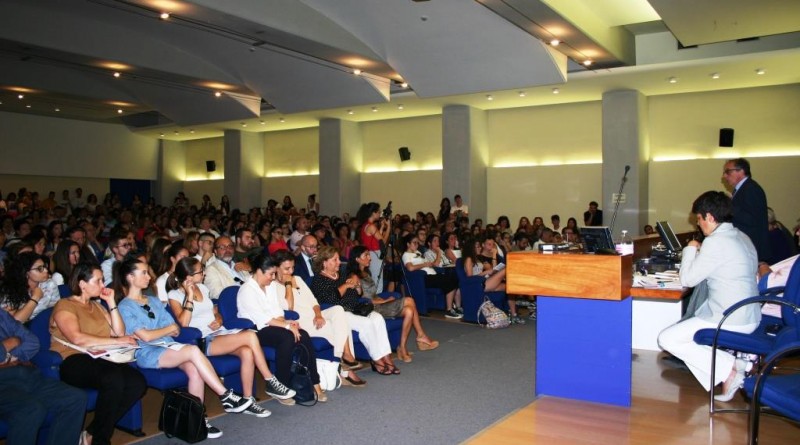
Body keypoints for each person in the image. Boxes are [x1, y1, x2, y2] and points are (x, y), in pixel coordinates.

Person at [115, 258, 254, 438]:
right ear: (130, 277)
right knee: (193, 350)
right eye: (143, 273)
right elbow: (146, 337)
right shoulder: (125, 306)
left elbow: (175, 328)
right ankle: (225, 395)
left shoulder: (153, 300)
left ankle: (198, 419)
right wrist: (164, 330)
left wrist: (162, 330)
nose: (148, 276)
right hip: (148, 352)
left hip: (169, 346)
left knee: (194, 369)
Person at [657, 191, 760, 402]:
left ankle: (732, 369)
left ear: (710, 217)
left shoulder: (715, 242)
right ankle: (733, 368)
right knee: (683, 333)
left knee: (667, 339)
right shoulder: (742, 236)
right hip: (749, 314)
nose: (699, 224)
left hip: (730, 318)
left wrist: (690, 249)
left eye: (699, 219)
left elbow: (687, 280)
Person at [166, 257, 295, 414]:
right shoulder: (174, 295)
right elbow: (184, 323)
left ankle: (248, 400)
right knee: (250, 336)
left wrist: (219, 319)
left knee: (247, 351)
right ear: (188, 277)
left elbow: (215, 311)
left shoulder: (203, 288)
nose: (204, 273)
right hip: (201, 340)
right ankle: (270, 380)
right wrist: (190, 295)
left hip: (219, 333)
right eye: (201, 271)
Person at [50, 262, 147, 445]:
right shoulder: (65, 305)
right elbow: (77, 339)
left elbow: (119, 332)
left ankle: (91, 433)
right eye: (98, 281)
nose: (104, 285)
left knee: (137, 383)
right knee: (113, 378)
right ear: (82, 284)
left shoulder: (98, 306)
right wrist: (117, 341)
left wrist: (111, 303)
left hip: (100, 357)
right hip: (73, 360)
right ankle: (100, 441)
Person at [236, 252, 327, 403]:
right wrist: (286, 326)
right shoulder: (247, 290)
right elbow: (262, 319)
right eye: (271, 274)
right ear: (259, 270)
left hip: (272, 325)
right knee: (286, 336)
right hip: (254, 331)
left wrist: (288, 323)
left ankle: (313, 381)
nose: (273, 278)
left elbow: (278, 312)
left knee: (303, 334)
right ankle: (280, 386)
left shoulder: (269, 286)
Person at [272, 250, 366, 386]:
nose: (290, 271)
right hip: (300, 322)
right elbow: (289, 308)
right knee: (341, 325)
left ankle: (346, 356)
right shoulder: (272, 286)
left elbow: (314, 301)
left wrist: (318, 315)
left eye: (292, 267)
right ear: (276, 268)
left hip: (315, 315)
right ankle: (345, 364)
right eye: (287, 268)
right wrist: (288, 285)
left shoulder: (297, 279)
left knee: (339, 311)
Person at [0, 309, 87, 445]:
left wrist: (9, 351)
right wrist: (12, 342)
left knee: (75, 398)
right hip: (3, 385)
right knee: (31, 409)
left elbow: (32, 343)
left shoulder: (1, 315)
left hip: (27, 375)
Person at [310, 246, 398, 376]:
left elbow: (357, 295)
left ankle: (387, 358)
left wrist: (357, 287)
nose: (339, 262)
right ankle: (377, 360)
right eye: (335, 260)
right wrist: (346, 285)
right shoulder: (318, 280)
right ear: (324, 262)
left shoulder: (342, 274)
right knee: (367, 324)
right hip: (339, 313)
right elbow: (330, 299)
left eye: (338, 259)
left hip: (356, 308)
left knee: (378, 318)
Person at [347, 246, 438, 363]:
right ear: (357, 259)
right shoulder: (353, 276)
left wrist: (382, 299)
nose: (369, 258)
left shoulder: (365, 273)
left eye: (369, 254)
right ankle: (421, 336)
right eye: (366, 255)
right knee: (409, 301)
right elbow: (361, 299)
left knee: (409, 311)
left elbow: (373, 294)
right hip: (371, 308)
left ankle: (402, 347)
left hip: (378, 304)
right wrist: (384, 301)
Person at [722, 158, 771, 263]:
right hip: (746, 246)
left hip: (752, 247)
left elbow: (753, 219)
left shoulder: (751, 189)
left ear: (741, 171)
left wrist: (728, 206)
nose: (725, 176)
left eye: (728, 172)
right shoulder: (743, 188)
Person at [402, 234, 462, 319]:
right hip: (424, 277)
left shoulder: (418, 252)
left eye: (417, 243)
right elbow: (410, 268)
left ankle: (452, 308)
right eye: (414, 243)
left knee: (454, 279)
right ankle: (449, 309)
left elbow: (432, 264)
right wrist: (424, 264)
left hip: (433, 273)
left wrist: (429, 264)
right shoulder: (406, 255)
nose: (416, 245)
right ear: (408, 244)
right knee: (451, 279)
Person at [1, 252, 60, 322]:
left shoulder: (49, 284)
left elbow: (56, 311)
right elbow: (14, 322)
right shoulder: (11, 290)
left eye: (45, 266)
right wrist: (35, 298)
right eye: (40, 268)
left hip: (43, 325)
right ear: (26, 273)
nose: (46, 270)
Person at [356, 202, 390, 294]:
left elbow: (375, 238)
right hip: (375, 254)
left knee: (374, 277)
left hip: (371, 253)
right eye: (378, 212)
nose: (379, 214)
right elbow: (383, 241)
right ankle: (377, 299)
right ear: (373, 213)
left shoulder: (366, 225)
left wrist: (382, 227)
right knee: (377, 279)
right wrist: (389, 227)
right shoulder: (371, 226)